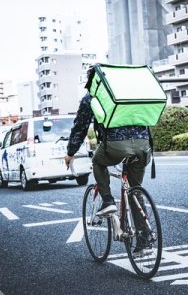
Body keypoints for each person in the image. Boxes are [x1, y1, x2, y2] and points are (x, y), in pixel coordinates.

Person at [64, 69, 152, 217]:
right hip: (143, 145)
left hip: (115, 145)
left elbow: (80, 128)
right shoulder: (128, 92)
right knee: (135, 191)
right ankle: (145, 236)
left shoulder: (91, 97)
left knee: (97, 161)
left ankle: (108, 201)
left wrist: (70, 153)